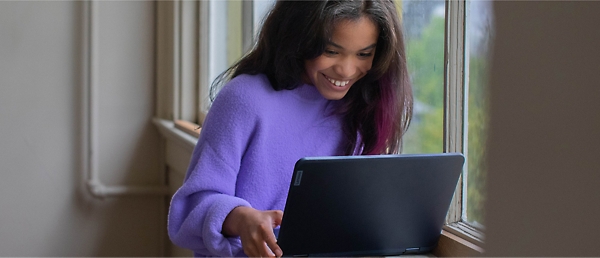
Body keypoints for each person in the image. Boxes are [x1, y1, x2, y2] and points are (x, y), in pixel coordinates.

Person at [167, 0, 413, 257]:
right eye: (331, 51)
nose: (347, 69)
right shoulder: (245, 99)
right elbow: (190, 209)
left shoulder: (362, 108)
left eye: (364, 54)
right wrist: (241, 219)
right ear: (300, 37)